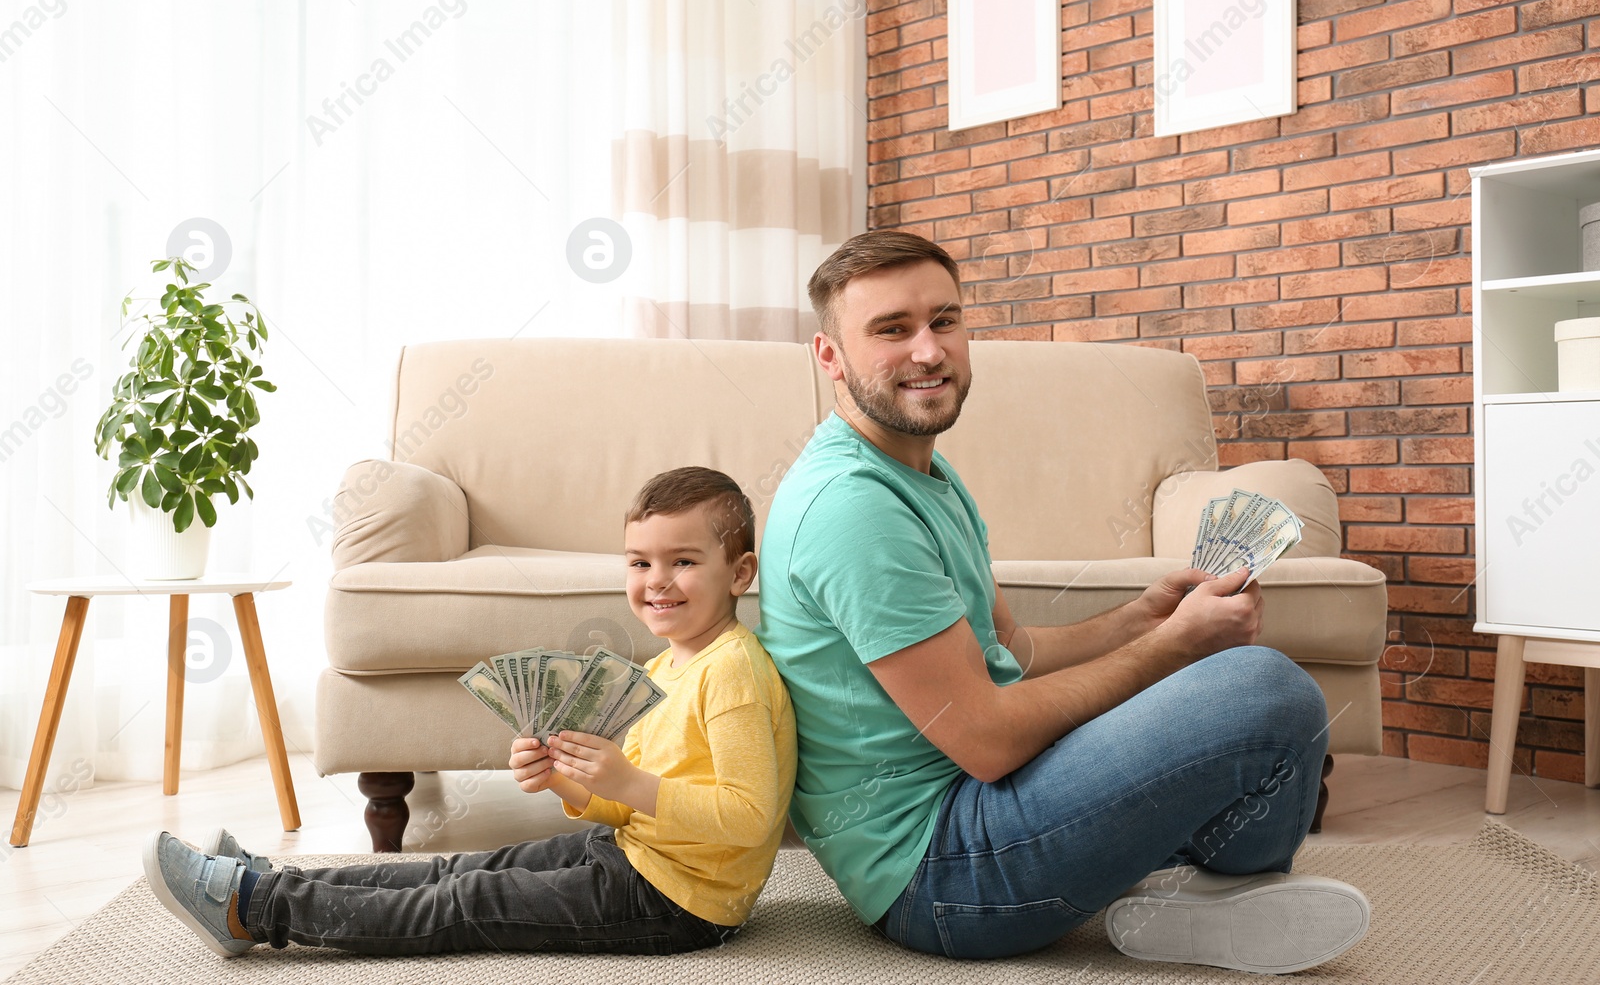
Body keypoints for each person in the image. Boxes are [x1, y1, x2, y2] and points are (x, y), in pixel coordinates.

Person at [756, 229, 1370, 974]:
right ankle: (1205, 883)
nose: (927, 351)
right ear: (831, 357)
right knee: (1266, 695)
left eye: (944, 321)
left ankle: (1190, 885)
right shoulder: (853, 507)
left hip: (985, 807)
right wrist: (1173, 647)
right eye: (891, 330)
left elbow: (1012, 649)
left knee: (1242, 709)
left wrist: (1145, 617)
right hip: (945, 874)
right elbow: (985, 740)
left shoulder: (925, 472)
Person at [144, 466, 797, 959]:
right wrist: (570, 781)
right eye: (640, 561)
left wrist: (627, 780)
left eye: (683, 561)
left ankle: (252, 907)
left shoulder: (732, 672)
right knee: (457, 867)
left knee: (466, 901)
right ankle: (268, 877)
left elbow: (749, 815)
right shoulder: (665, 667)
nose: (657, 580)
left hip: (682, 902)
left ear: (739, 574)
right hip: (631, 852)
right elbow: (631, 808)